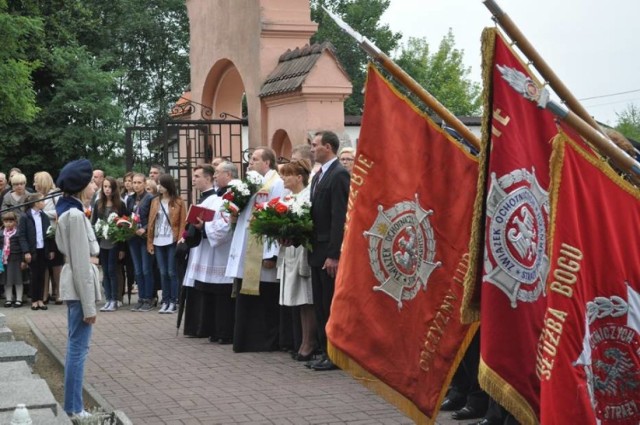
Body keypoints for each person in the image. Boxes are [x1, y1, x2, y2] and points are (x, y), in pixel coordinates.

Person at [226, 147, 286, 352]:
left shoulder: (276, 183)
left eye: (254, 159)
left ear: (267, 163)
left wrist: (272, 253)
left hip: (263, 248)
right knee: (246, 295)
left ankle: (265, 340)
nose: (250, 163)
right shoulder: (250, 183)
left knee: (265, 297)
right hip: (246, 245)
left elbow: (276, 218)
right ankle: (246, 339)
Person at [55, 158, 101, 420]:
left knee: (77, 347)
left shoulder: (72, 210)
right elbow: (82, 265)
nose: (96, 186)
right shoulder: (73, 215)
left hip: (77, 284)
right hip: (78, 287)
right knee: (78, 349)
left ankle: (73, 405)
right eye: (92, 182)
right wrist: (89, 306)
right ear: (82, 185)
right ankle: (73, 408)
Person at [306, 131, 350, 371]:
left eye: (315, 145)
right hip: (315, 249)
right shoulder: (318, 176)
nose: (312, 149)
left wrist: (335, 254)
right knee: (320, 304)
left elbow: (339, 218)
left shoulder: (339, 175)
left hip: (328, 251)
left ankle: (334, 354)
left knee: (330, 302)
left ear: (329, 147)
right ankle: (324, 350)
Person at [183, 161, 236, 343]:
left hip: (221, 252)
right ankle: (215, 330)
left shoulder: (228, 197)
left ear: (228, 175)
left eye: (217, 173)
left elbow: (226, 224)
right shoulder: (217, 197)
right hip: (209, 249)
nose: (215, 177)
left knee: (222, 294)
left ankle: (224, 332)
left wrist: (204, 227)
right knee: (211, 292)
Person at [277, 159, 318, 361]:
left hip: (302, 251)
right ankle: (303, 340)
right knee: (299, 301)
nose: (283, 178)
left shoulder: (307, 196)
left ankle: (310, 342)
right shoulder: (289, 197)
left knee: (306, 298)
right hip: (290, 251)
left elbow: (308, 223)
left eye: (287, 174)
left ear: (299, 177)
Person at [181, 165, 218, 336]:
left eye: (197, 176)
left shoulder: (214, 199)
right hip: (197, 249)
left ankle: (201, 327)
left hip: (206, 249)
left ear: (209, 178)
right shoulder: (203, 198)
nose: (193, 179)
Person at [147, 173, 186, 313]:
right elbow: (151, 223)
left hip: (171, 240)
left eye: (162, 184)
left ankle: (174, 301)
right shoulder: (155, 201)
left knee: (171, 272)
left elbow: (182, 223)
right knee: (163, 272)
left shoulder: (179, 201)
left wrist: (181, 239)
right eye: (158, 184)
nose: (159, 187)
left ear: (168, 185)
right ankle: (165, 300)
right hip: (158, 240)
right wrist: (150, 242)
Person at [92, 176, 128, 312]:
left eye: (110, 187)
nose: (107, 189)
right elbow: (94, 222)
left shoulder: (120, 204)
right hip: (102, 243)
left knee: (113, 271)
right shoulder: (98, 203)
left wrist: (122, 248)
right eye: (105, 187)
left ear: (114, 189)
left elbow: (125, 225)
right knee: (105, 271)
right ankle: (107, 299)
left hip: (114, 243)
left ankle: (115, 298)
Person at [19, 193, 53, 311]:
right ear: (35, 203)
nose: (44, 203)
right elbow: (22, 236)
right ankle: (34, 300)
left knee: (42, 275)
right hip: (32, 250)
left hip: (43, 249)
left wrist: (51, 249)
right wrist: (26, 251)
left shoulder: (44, 216)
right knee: (34, 275)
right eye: (42, 201)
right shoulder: (25, 217)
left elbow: (49, 234)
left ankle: (40, 300)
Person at [34, 171, 63, 305]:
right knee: (44, 265)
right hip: (42, 234)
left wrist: (43, 212)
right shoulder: (37, 196)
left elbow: (60, 212)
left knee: (56, 265)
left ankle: (58, 292)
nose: (34, 184)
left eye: (36, 181)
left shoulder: (55, 194)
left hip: (54, 233)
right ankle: (44, 293)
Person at [126, 173, 154, 312]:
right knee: (137, 270)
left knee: (146, 269)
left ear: (144, 183)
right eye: (134, 182)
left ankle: (149, 298)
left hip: (144, 237)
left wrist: (144, 228)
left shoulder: (150, 198)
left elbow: (153, 218)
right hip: (133, 237)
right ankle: (141, 298)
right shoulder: (130, 199)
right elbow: (128, 216)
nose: (136, 185)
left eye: (139, 182)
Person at [2, 211, 25, 308]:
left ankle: (19, 299)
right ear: (3, 222)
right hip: (4, 260)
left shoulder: (18, 233)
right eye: (6, 221)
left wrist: (24, 260)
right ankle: (8, 299)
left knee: (18, 279)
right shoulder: (1, 233)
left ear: (15, 222)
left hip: (16, 259)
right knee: (7, 280)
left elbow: (23, 246)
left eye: (11, 221)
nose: (8, 223)